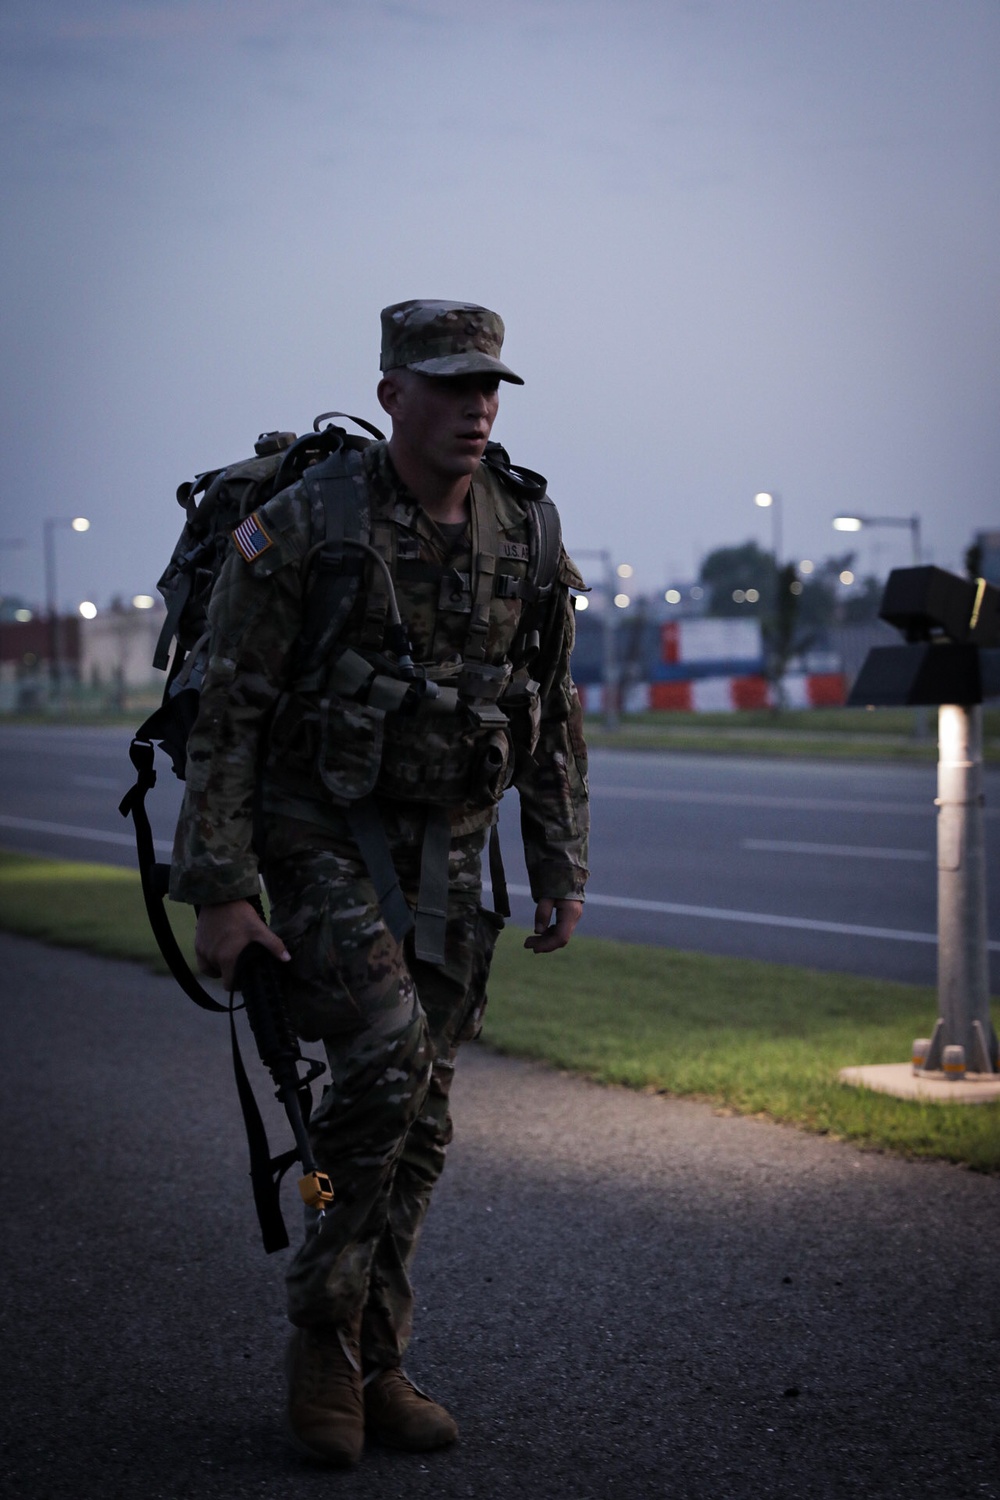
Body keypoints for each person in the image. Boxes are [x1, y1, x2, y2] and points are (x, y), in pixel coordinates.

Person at [169, 299, 589, 1466]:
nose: (477, 405)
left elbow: (548, 709)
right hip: (317, 836)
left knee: (421, 1117)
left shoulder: (528, 525)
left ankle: (377, 1354)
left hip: (453, 850)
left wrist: (560, 862)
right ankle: (321, 1335)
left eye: (489, 384)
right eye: (450, 384)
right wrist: (220, 886)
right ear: (393, 391)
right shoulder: (306, 524)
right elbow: (230, 712)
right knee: (390, 1059)